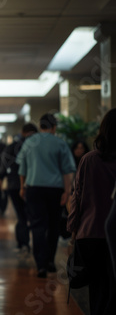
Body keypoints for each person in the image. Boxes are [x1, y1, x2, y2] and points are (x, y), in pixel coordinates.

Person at [68, 108, 116, 314]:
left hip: (90, 233)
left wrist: (73, 228)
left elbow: (77, 197)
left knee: (96, 288)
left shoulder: (89, 160)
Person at [16, 113, 76, 278]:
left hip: (34, 188)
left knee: (37, 225)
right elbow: (66, 170)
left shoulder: (29, 142)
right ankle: (50, 260)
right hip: (54, 190)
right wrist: (66, 191)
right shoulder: (59, 143)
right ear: (54, 127)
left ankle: (40, 265)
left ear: (40, 126)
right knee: (53, 225)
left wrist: (22, 187)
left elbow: (22, 168)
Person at [0, 123, 38, 253]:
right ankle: (37, 245)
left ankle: (22, 243)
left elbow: (3, 168)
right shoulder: (35, 146)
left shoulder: (11, 147)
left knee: (21, 215)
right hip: (32, 184)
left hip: (14, 185)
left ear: (22, 131)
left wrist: (2, 181)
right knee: (34, 215)